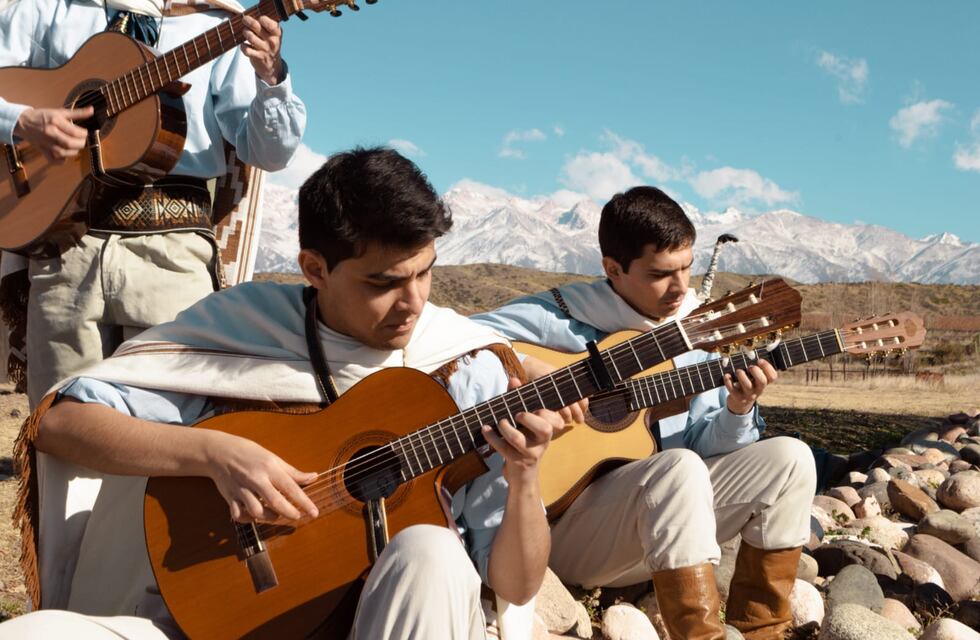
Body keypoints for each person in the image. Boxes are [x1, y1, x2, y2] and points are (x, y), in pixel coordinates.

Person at [2, 147, 562, 639]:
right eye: (383, 283)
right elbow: (60, 424)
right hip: (229, 620)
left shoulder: (467, 367)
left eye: (424, 273)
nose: (413, 302)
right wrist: (214, 454)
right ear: (314, 269)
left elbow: (516, 585)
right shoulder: (244, 329)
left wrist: (524, 475)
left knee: (431, 551)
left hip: (398, 621)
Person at [472, 186, 817, 640]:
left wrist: (738, 408)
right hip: (554, 534)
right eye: (660, 274)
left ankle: (761, 630)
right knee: (678, 467)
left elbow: (703, 446)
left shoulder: (694, 332)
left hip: (660, 527)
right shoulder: (557, 316)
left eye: (687, 267)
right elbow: (454, 345)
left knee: (792, 459)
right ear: (612, 269)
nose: (680, 288)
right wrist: (527, 367)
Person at [0, 0, 306, 409]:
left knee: (172, 422)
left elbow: (269, 154)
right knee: (59, 422)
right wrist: (20, 121)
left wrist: (271, 77)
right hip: (66, 248)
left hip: (174, 253)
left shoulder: (219, 22)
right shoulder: (47, 8)